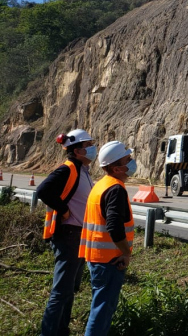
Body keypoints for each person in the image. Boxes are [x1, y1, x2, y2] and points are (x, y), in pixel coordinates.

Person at [37, 129, 97, 336]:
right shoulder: (68, 169)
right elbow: (43, 191)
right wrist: (63, 210)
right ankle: (49, 332)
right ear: (78, 150)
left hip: (79, 236)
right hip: (69, 235)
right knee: (61, 291)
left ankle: (61, 330)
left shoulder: (83, 170)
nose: (93, 148)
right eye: (89, 145)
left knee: (69, 290)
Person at [80, 141, 136, 336]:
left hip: (97, 258)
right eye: (127, 159)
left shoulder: (101, 185)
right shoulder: (115, 189)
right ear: (117, 167)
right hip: (110, 260)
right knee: (102, 311)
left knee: (101, 308)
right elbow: (114, 226)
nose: (131, 162)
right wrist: (125, 252)